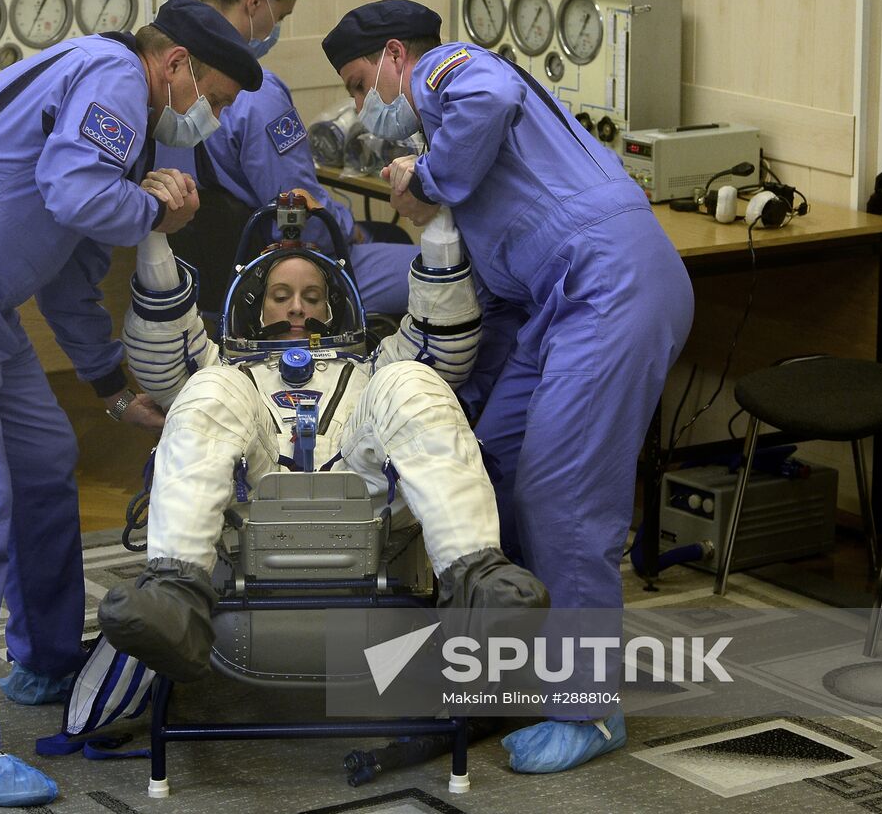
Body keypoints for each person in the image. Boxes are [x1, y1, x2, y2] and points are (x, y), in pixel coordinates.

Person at [0, 0, 262, 808]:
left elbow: (71, 267)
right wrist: (157, 209)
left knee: (42, 459)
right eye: (216, 98)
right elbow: (76, 196)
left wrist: (110, 388)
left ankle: (43, 658)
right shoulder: (110, 72)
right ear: (175, 66)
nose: (211, 119)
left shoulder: (123, 106)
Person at [322, 0, 694, 773]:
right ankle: (508, 663)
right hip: (555, 302)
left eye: (362, 84)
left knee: (561, 495)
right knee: (483, 467)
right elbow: (492, 295)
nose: (365, 107)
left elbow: (484, 100)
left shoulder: (447, 70)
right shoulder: (467, 140)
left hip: (612, 288)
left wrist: (425, 180)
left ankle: (587, 709)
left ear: (396, 55)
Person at [98, 198, 547, 681]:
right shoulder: (222, 368)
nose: (296, 306)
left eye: (312, 297)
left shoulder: (374, 365)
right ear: (256, 305)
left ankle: (476, 581)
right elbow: (163, 353)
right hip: (246, 499)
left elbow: (443, 342)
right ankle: (175, 595)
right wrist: (154, 231)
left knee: (414, 381)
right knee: (205, 389)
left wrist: (437, 220)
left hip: (370, 496)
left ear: (332, 309)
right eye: (281, 295)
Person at [154, 0, 417, 314]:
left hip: (194, 281)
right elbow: (300, 214)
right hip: (276, 273)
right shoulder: (257, 91)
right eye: (279, 17)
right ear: (255, 1)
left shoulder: (162, 75)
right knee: (438, 268)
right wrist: (349, 228)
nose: (274, 29)